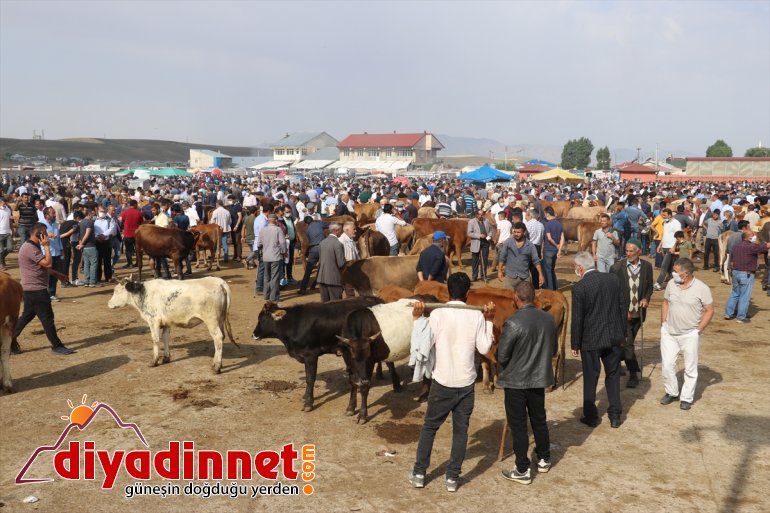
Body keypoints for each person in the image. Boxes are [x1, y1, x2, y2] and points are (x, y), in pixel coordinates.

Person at [408, 272, 495, 492]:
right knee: (460, 432)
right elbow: (485, 348)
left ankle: (419, 474)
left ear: (447, 292)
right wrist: (489, 321)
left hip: (442, 381)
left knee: (430, 427)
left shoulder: (437, 314)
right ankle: (452, 478)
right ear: (467, 293)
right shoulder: (476, 316)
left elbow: (424, 344)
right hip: (466, 383)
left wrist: (417, 319)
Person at [498, 281, 557, 485]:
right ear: (533, 297)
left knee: (519, 425)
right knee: (539, 419)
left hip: (516, 382)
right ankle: (544, 458)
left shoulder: (513, 322)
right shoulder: (548, 319)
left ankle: (522, 469)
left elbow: (502, 356)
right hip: (538, 379)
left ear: (516, 297)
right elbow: (553, 351)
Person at [571, 251, 626, 428]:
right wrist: (622, 334)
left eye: (575, 267)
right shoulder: (613, 279)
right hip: (614, 336)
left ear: (580, 268)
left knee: (590, 377)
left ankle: (591, 416)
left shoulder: (580, 287)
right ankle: (615, 416)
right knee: (613, 375)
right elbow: (622, 307)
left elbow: (578, 318)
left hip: (591, 340)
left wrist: (575, 344)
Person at [11, 222, 74, 355]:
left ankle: (8, 342)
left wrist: (57, 274)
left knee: (26, 316)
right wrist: (46, 246)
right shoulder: (30, 248)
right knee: (47, 318)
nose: (47, 235)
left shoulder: (32, 246)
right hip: (36, 290)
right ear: (38, 234)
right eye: (45, 233)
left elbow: (42, 267)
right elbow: (48, 263)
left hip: (31, 289)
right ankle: (56, 346)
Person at [660, 258, 714, 410]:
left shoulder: (702, 288)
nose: (673, 274)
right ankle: (671, 392)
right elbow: (665, 302)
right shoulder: (671, 284)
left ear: (686, 274)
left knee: (690, 367)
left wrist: (698, 330)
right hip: (669, 333)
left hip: (690, 334)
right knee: (667, 365)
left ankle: (686, 398)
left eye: (676, 272)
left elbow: (709, 310)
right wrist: (663, 322)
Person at [610, 239, 653, 388]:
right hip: (623, 314)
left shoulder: (647, 266)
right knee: (628, 344)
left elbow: (649, 286)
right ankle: (633, 373)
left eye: (631, 251)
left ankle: (616, 361)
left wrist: (646, 298)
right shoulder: (616, 268)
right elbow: (613, 293)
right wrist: (623, 312)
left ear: (639, 251)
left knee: (627, 343)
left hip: (639, 314)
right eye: (626, 251)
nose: (628, 254)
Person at [724, 228, 770, 323]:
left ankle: (728, 313)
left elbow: (731, 259)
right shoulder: (751, 247)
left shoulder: (736, 246)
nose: (754, 237)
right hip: (746, 274)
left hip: (736, 272)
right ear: (749, 237)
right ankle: (741, 317)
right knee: (744, 296)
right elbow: (765, 246)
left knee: (735, 294)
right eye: (753, 235)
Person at [497, 222, 543, 289]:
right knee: (509, 295)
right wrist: (499, 271)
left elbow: (536, 261)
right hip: (510, 277)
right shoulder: (508, 242)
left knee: (526, 295)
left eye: (518, 232)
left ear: (524, 232)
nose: (516, 234)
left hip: (524, 278)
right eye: (514, 232)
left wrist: (540, 275)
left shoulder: (530, 245)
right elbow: (502, 257)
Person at [258, 214, 286, 302]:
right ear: (275, 220)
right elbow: (282, 242)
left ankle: (266, 295)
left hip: (265, 256)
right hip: (275, 256)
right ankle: (273, 297)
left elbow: (259, 243)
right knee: (275, 277)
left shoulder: (263, 230)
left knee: (266, 276)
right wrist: (284, 251)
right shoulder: (278, 229)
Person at [654, 209, 682, 290]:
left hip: (671, 247)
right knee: (670, 267)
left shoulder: (676, 223)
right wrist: (660, 245)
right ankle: (675, 283)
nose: (663, 216)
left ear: (670, 215)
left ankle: (658, 283)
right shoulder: (665, 223)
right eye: (662, 215)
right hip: (665, 247)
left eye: (664, 215)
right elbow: (664, 235)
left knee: (664, 266)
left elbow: (679, 236)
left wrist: (674, 247)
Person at [316, 222, 345, 302]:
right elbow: (341, 264)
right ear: (336, 230)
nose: (342, 232)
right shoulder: (338, 244)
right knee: (336, 304)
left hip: (322, 277)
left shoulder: (322, 243)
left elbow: (321, 260)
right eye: (341, 230)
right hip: (334, 278)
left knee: (325, 304)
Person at [541, 207, 564, 290]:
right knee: (552, 269)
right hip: (555, 251)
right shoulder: (559, 224)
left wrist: (556, 245)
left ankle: (550, 289)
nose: (544, 215)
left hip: (548, 249)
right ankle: (554, 287)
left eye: (545, 213)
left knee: (548, 270)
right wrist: (559, 249)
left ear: (547, 214)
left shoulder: (548, 224)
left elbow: (549, 238)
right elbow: (562, 238)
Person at [468, 209, 492, 281]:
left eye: (483, 215)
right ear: (476, 215)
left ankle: (483, 276)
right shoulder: (471, 222)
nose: (482, 216)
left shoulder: (486, 221)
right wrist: (479, 235)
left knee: (484, 259)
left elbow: (490, 230)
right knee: (475, 260)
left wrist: (489, 236)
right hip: (476, 242)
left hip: (485, 243)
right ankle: (474, 276)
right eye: (480, 215)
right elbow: (469, 233)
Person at [524, 209, 545, 288]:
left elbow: (525, 237)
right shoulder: (541, 225)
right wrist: (541, 251)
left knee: (526, 268)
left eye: (526, 216)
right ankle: (536, 287)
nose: (525, 218)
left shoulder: (527, 224)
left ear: (530, 215)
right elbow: (542, 239)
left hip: (529, 246)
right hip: (537, 247)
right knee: (536, 269)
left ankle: (527, 287)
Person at [120, 199, 143, 268]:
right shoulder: (139, 213)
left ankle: (130, 263)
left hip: (127, 233)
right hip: (137, 234)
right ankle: (138, 262)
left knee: (128, 250)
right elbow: (141, 222)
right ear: (135, 205)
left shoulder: (125, 212)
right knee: (137, 249)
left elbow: (122, 221)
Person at [338, 221, 359, 297]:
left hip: (351, 270)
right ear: (347, 230)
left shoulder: (352, 240)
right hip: (345, 270)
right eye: (354, 229)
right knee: (347, 292)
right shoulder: (341, 241)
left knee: (350, 292)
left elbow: (356, 255)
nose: (355, 231)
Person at [0, 197, 12, 271]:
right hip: (0, 233)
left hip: (8, 232)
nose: (4, 203)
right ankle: (1, 264)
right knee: (1, 250)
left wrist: (12, 230)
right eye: (3, 202)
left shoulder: (8, 209)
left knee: (10, 248)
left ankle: (1, 258)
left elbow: (10, 220)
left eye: (5, 202)